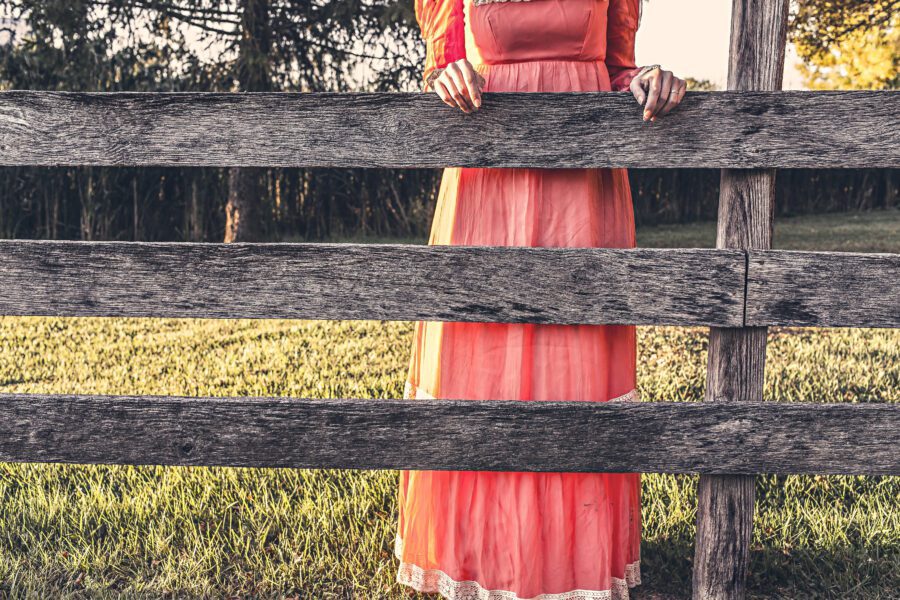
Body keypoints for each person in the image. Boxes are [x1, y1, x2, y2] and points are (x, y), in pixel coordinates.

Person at [395, 1, 686, 598]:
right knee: (481, 369)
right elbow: (443, 65)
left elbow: (618, 71)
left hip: (578, 191)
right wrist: (448, 76)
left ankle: (568, 565)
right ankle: (480, 557)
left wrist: (647, 82)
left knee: (571, 367)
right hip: (488, 185)